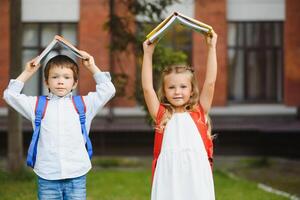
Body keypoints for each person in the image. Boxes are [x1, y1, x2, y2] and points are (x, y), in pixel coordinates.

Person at [3, 51, 115, 199]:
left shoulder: (84, 104)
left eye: (67, 77)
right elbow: (9, 95)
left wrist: (92, 66)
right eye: (55, 77)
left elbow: (108, 90)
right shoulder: (36, 105)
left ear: (74, 83)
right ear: (46, 82)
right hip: (47, 175)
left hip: (77, 174)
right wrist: (27, 72)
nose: (60, 81)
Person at [142, 30, 218, 200]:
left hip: (196, 176)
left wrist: (211, 47)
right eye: (171, 87)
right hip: (169, 177)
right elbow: (147, 88)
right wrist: (148, 54)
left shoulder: (199, 112)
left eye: (183, 87)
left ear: (192, 90)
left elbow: (211, 82)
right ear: (165, 91)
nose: (177, 92)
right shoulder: (162, 115)